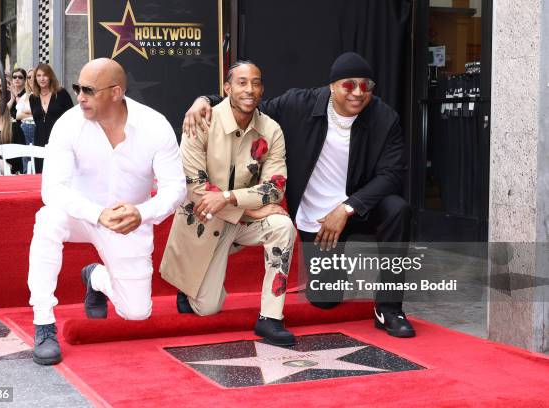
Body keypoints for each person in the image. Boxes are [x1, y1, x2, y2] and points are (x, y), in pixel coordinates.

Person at [183, 52, 415, 338]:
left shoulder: (384, 117)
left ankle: (389, 308)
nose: (358, 92)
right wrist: (204, 100)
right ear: (332, 86)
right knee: (326, 299)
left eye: (365, 86)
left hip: (357, 209)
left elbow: (392, 174)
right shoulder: (299, 105)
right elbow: (252, 104)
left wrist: (346, 209)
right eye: (349, 85)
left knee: (397, 209)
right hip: (317, 221)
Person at [28, 58, 186, 366]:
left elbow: (175, 189)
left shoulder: (155, 126)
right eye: (77, 88)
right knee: (47, 219)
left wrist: (142, 212)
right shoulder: (68, 125)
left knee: (137, 313)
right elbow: (52, 190)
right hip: (81, 215)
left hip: (129, 222)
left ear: (115, 92)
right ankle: (43, 322)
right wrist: (98, 213)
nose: (79, 97)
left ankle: (96, 278)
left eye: (88, 90)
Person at [160, 61, 297, 346]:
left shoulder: (271, 130)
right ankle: (191, 289)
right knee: (208, 308)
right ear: (227, 88)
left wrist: (229, 198)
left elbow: (276, 188)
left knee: (282, 225)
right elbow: (196, 188)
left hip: (239, 221)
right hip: (205, 219)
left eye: (256, 83)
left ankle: (271, 317)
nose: (250, 89)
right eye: (242, 82)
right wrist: (249, 208)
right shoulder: (201, 121)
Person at [28, 63, 74, 173]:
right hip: (40, 139)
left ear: (50, 77)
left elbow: (71, 117)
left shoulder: (61, 93)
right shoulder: (33, 98)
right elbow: (37, 120)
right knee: (41, 174)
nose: (42, 79)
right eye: (38, 76)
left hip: (59, 140)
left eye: (45, 75)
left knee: (60, 173)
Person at [16, 68, 37, 172]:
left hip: (36, 127)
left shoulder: (43, 93)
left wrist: (29, 111)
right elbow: (18, 115)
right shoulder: (26, 95)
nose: (31, 79)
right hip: (25, 128)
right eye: (29, 77)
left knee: (37, 157)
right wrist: (31, 112)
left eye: (34, 76)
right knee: (26, 157)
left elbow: (39, 111)